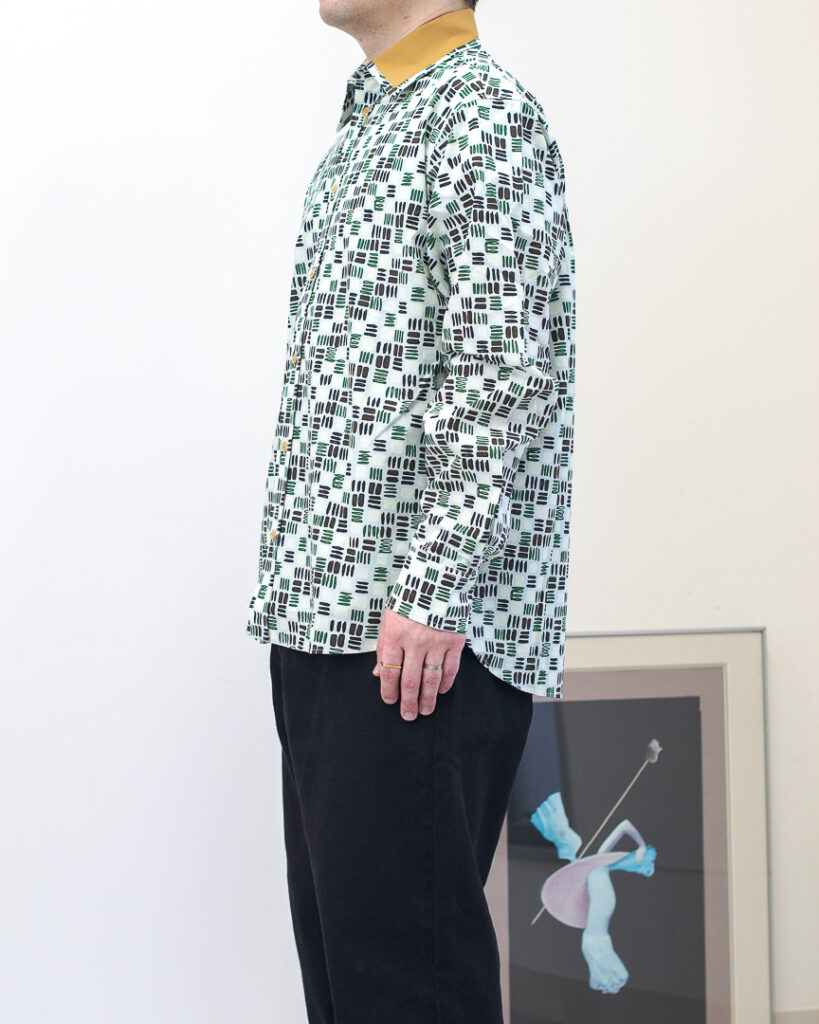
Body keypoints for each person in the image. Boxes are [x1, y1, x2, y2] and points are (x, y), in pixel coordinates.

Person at [245, 2, 576, 1020]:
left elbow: (501, 371)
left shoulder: (483, 116)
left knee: (407, 989)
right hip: (325, 621)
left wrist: (433, 591)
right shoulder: (371, 122)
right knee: (350, 987)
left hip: (414, 641)